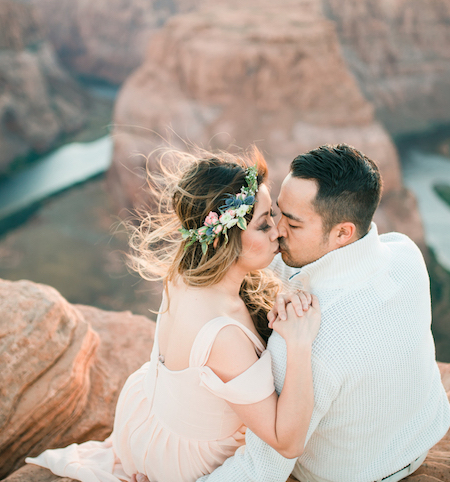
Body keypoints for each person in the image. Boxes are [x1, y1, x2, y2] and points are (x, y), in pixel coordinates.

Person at [26, 148, 321, 482]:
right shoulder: (223, 337)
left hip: (144, 420)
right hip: (184, 463)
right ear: (226, 238)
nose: (278, 231)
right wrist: (299, 344)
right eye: (264, 224)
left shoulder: (185, 270)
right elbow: (287, 441)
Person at [192, 144, 450, 482]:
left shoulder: (301, 340)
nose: (277, 231)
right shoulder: (406, 255)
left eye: (294, 225)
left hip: (347, 474)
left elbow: (262, 469)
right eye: (277, 213)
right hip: (418, 442)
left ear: (343, 233)